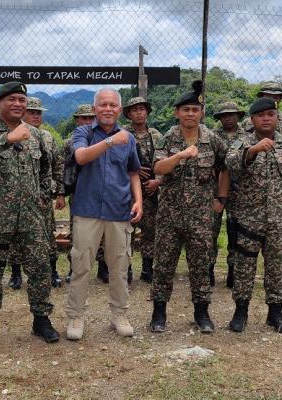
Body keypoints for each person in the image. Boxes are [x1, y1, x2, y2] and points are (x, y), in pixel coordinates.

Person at [0, 81, 59, 352]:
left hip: (31, 217)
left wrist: (44, 193)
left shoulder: (36, 134)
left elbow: (45, 166)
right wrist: (5, 140)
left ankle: (41, 321)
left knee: (40, 268)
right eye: (12, 99)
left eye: (22, 99)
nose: (18, 104)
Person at [149, 81, 229, 334]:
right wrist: (180, 155)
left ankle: (202, 312)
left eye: (195, 109)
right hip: (169, 216)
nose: (191, 114)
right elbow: (158, 169)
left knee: (201, 264)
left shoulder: (212, 139)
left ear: (201, 112)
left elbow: (225, 167)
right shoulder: (168, 138)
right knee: (163, 265)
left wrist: (221, 199)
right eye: (186, 110)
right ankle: (159, 313)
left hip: (201, 216)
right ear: (177, 113)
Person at [66, 88, 142, 340]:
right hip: (87, 209)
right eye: (103, 105)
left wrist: (138, 200)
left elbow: (133, 172)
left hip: (119, 209)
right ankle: (76, 316)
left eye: (112, 105)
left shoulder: (128, 138)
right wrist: (109, 141)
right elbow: (81, 157)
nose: (108, 109)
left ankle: (119, 314)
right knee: (81, 265)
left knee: (119, 266)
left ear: (119, 110)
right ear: (94, 108)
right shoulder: (83, 132)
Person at [226, 97, 282, 333]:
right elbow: (230, 163)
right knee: (244, 266)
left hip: (278, 218)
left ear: (277, 117)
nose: (266, 118)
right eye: (261, 115)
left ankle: (275, 312)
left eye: (271, 114)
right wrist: (252, 151)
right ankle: (241, 311)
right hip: (249, 219)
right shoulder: (242, 142)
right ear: (253, 119)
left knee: (277, 266)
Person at [7, 96, 65, 290]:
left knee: (48, 234)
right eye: (32, 112)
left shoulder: (47, 137)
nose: (36, 116)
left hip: (42, 198)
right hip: (16, 198)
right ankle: (16, 274)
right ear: (23, 113)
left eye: (39, 113)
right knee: (15, 237)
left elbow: (57, 165)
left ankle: (52, 271)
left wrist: (60, 193)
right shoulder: (11, 135)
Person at [62, 104, 110, 284]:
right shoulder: (70, 142)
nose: (88, 121)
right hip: (80, 193)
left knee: (104, 232)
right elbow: (64, 168)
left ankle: (103, 269)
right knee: (78, 232)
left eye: (92, 118)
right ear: (77, 120)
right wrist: (62, 192)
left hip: (103, 193)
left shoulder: (105, 139)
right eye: (84, 118)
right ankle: (75, 269)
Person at [123, 97, 162, 284]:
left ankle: (147, 269)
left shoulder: (156, 135)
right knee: (126, 230)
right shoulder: (122, 134)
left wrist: (157, 181)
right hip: (127, 190)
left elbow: (164, 160)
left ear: (147, 112)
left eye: (142, 109)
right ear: (128, 114)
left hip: (151, 190)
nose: (139, 113)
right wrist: (133, 168)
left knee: (151, 231)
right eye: (134, 110)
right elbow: (113, 160)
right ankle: (126, 269)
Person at [209, 101, 246, 288]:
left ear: (238, 116)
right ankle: (208, 269)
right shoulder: (212, 136)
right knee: (211, 229)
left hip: (239, 192)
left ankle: (233, 270)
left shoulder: (247, 136)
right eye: (224, 115)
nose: (228, 117)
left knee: (236, 231)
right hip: (215, 188)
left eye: (232, 114)